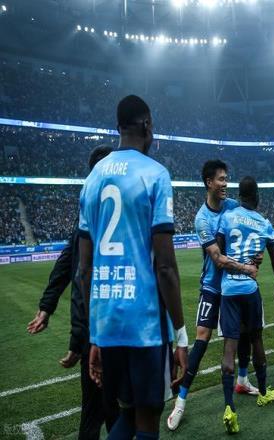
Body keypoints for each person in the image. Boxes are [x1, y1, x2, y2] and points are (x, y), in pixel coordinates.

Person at [78, 95, 188, 440]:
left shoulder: (92, 179)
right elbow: (165, 267)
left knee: (126, 412)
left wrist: (94, 335)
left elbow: (84, 271)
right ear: (147, 125)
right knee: (148, 416)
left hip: (107, 323)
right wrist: (181, 335)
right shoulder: (155, 174)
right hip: (145, 323)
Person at [27, 145, 119, 439]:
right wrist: (75, 335)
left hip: (106, 330)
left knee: (103, 411)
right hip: (106, 331)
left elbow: (68, 262)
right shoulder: (96, 215)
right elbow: (75, 271)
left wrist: (48, 307)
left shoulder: (94, 212)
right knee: (111, 411)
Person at [167, 160, 259, 431]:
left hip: (234, 285)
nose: (225, 183)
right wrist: (247, 267)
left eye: (226, 178)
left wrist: (256, 254)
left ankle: (242, 380)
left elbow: (249, 231)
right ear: (209, 183)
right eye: (221, 179)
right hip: (212, 286)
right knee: (202, 338)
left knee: (243, 331)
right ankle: (181, 401)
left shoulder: (233, 207)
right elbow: (217, 259)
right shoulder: (202, 219)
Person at [216, 176, 274, 434]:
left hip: (228, 290)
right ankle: (264, 393)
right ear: (256, 196)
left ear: (239, 195)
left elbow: (218, 254)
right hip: (249, 289)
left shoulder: (227, 217)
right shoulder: (264, 223)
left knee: (229, 346)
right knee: (256, 339)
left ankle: (229, 408)